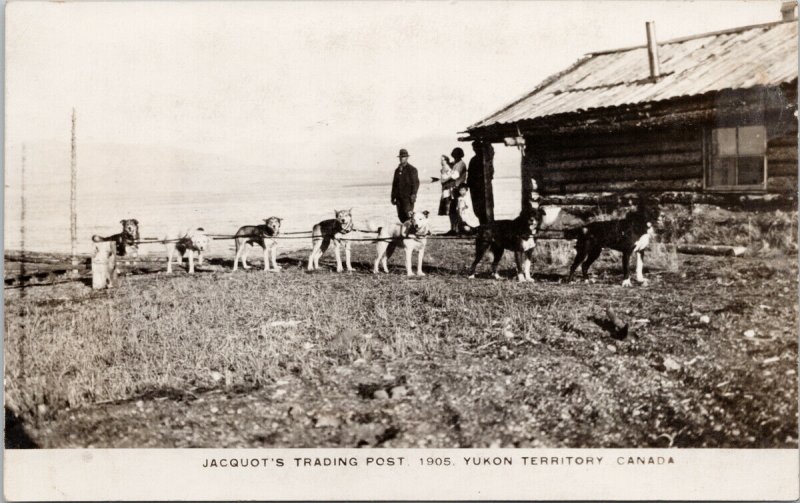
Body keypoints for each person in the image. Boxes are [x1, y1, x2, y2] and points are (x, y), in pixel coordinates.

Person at [467, 141, 494, 225]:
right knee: (478, 209)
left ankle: (485, 225)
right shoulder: (474, 159)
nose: (474, 149)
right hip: (475, 188)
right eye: (474, 148)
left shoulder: (485, 159)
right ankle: (483, 225)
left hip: (482, 188)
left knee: (484, 208)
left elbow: (490, 173)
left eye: (476, 147)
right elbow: (470, 174)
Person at [391, 148, 419, 222]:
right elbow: (394, 185)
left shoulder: (412, 170)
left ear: (407, 158)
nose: (401, 159)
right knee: (400, 216)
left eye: (403, 157)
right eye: (400, 157)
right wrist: (393, 197)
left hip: (408, 198)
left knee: (408, 215)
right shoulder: (397, 170)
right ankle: (405, 231)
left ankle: (411, 230)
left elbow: (416, 183)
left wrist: (413, 194)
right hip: (399, 198)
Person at [444, 147, 467, 234]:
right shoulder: (456, 164)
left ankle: (456, 228)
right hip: (454, 189)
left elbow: (455, 176)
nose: (454, 157)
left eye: (455, 156)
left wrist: (447, 173)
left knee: (457, 209)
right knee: (452, 210)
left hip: (458, 189)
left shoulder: (460, 164)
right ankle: (454, 228)